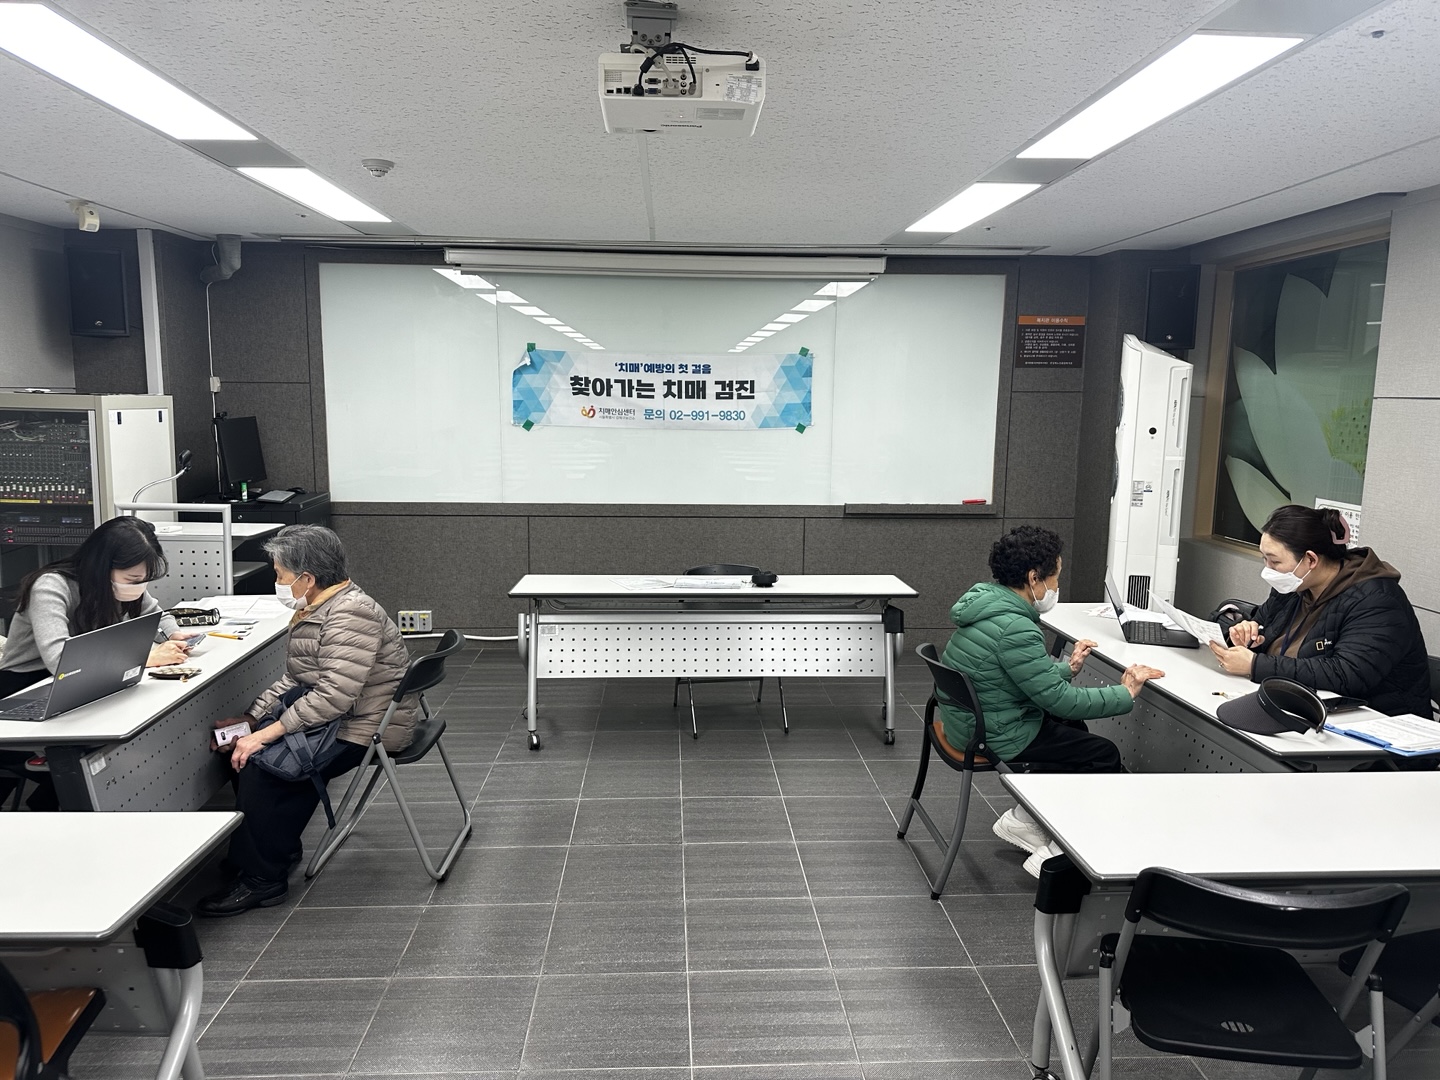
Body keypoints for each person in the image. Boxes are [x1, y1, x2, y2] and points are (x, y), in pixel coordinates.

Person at [198, 524, 418, 916]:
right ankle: (270, 850)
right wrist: (253, 718)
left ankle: (263, 880)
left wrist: (266, 734)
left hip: (366, 727)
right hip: (345, 716)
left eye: (280, 574)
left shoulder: (350, 614)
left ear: (307, 579)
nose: (277, 582)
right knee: (242, 749)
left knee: (264, 767)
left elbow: (334, 696)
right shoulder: (319, 607)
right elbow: (297, 679)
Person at [940, 525, 1163, 874]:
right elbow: (1060, 701)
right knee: (1103, 755)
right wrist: (1124, 693)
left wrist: (1066, 668)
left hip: (969, 720)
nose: (1057, 587)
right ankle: (1060, 852)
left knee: (1072, 728)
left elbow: (1014, 675)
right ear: (1034, 578)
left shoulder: (986, 607)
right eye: (1055, 577)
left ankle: (1025, 818)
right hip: (995, 734)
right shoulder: (1015, 627)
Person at [0, 517, 191, 810]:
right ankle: (56, 805)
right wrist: (146, 657)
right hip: (25, 686)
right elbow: (60, 660)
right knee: (94, 755)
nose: (138, 587)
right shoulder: (51, 586)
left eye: (143, 580)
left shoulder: (116, 585)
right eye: (132, 580)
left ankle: (55, 802)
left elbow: (155, 614)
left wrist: (175, 634)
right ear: (103, 567)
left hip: (84, 680)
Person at [1208, 504, 1431, 715]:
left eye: (1274, 561)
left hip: (1371, 723)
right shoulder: (1293, 586)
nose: (1268, 569)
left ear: (1311, 560)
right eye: (1264, 559)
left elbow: (1347, 675)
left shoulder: (1377, 600)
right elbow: (1263, 627)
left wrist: (1255, 665)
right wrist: (1246, 635)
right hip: (1293, 704)